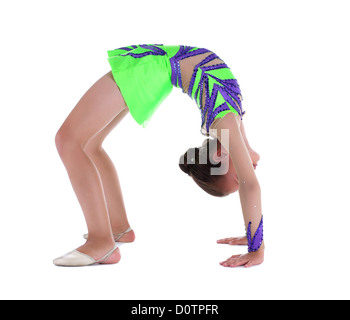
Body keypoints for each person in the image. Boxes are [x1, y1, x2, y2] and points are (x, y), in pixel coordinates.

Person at [53, 45, 264, 268]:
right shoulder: (227, 123)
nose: (244, 174)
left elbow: (249, 177)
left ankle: (103, 239)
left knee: (71, 141)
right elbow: (249, 184)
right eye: (236, 180)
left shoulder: (227, 123)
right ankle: (114, 229)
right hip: (156, 68)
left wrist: (253, 239)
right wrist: (256, 247)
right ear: (220, 157)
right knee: (83, 143)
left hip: (155, 69)